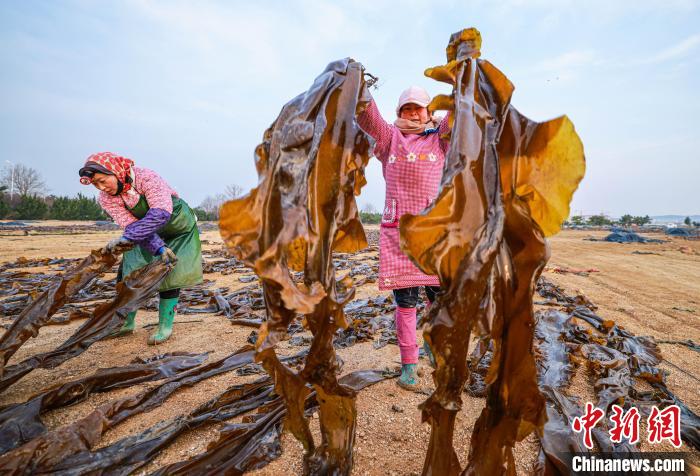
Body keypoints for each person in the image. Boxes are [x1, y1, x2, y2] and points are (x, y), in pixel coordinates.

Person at [357, 86, 449, 391]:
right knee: (406, 305)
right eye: (406, 109)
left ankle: (435, 348)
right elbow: (369, 119)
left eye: (418, 108)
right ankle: (409, 365)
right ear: (399, 113)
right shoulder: (389, 139)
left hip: (435, 236)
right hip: (399, 235)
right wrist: (359, 86)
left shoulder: (440, 138)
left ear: (428, 111)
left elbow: (460, 114)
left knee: (439, 303)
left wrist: (466, 79)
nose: (413, 113)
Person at [79, 152, 203, 344]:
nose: (102, 187)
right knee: (129, 273)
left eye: (103, 181)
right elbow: (131, 225)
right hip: (142, 232)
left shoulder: (146, 177)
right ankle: (126, 323)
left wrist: (128, 239)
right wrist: (157, 247)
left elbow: (159, 214)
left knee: (170, 274)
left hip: (178, 229)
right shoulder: (106, 199)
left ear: (115, 171)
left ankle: (165, 325)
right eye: (96, 184)